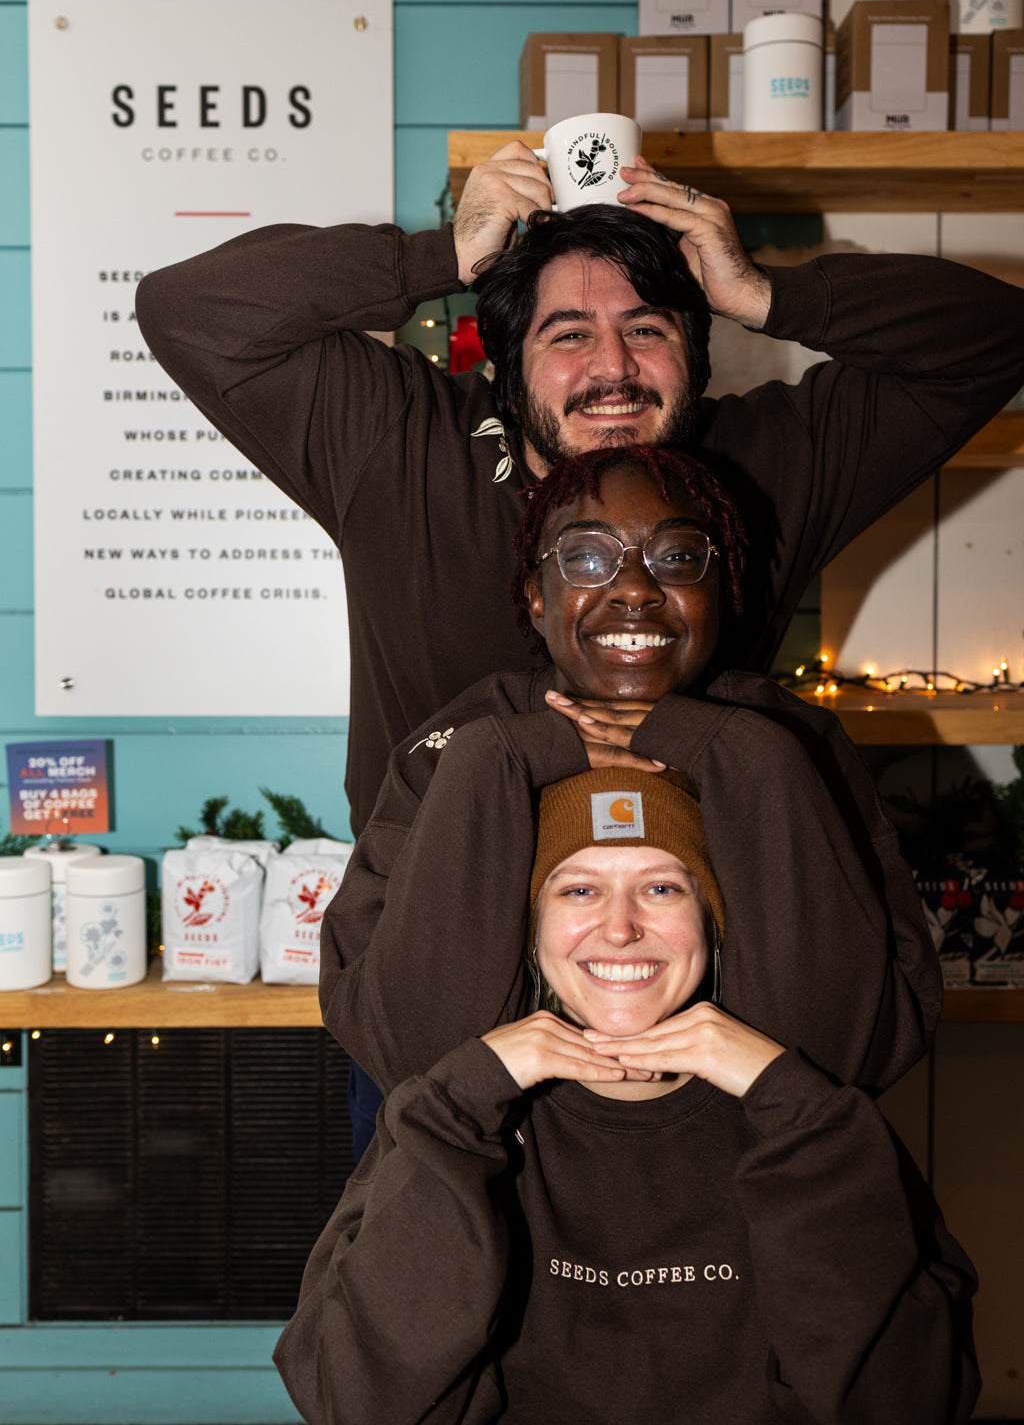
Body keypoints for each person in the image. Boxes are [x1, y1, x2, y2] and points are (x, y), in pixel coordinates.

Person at [134, 148, 1024, 840]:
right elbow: (190, 309)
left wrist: (766, 294)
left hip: (693, 959)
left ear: (695, 354)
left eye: (646, 328)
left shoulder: (765, 459)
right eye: (568, 335)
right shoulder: (397, 440)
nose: (612, 369)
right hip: (435, 956)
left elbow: (994, 339)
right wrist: (441, 255)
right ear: (507, 369)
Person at [274, 768, 979, 1425]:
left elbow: (912, 1397)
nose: (619, 928)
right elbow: (354, 1400)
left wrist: (790, 1101)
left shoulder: (813, 1117)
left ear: (712, 920)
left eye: (663, 888)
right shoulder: (450, 1112)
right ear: (531, 930)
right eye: (579, 890)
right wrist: (464, 1098)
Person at [320, 445, 940, 1104]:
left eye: (676, 558)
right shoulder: (458, 744)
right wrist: (502, 758)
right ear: (536, 594)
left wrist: (741, 754)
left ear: (720, 589)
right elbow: (404, 1050)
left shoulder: (791, 741)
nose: (636, 589)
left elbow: (860, 1049)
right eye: (587, 557)